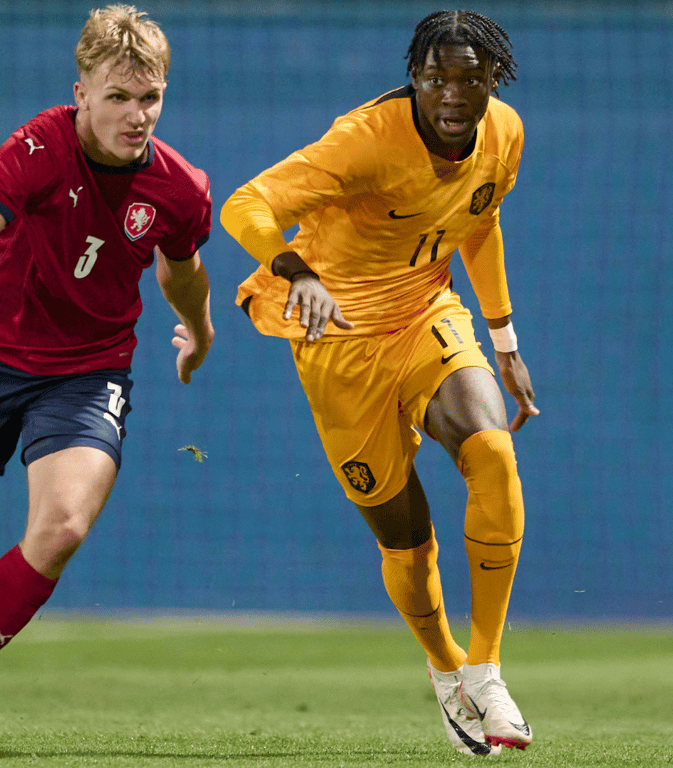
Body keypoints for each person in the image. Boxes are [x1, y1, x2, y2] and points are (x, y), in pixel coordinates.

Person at [0, 4, 214, 756]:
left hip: (90, 369)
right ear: (80, 92)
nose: (135, 114)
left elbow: (183, 275)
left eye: (149, 97)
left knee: (60, 528)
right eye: (117, 96)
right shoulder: (37, 148)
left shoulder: (181, 188)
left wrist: (202, 333)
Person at [221, 9, 538, 756]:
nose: (454, 94)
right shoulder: (365, 139)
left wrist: (504, 339)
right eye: (437, 78)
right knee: (407, 540)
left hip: (426, 310)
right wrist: (294, 270)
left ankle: (488, 671)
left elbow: (478, 220)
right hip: (336, 340)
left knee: (492, 450)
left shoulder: (506, 134)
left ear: (495, 77)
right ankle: (446, 671)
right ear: (415, 78)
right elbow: (246, 203)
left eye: (471, 77)